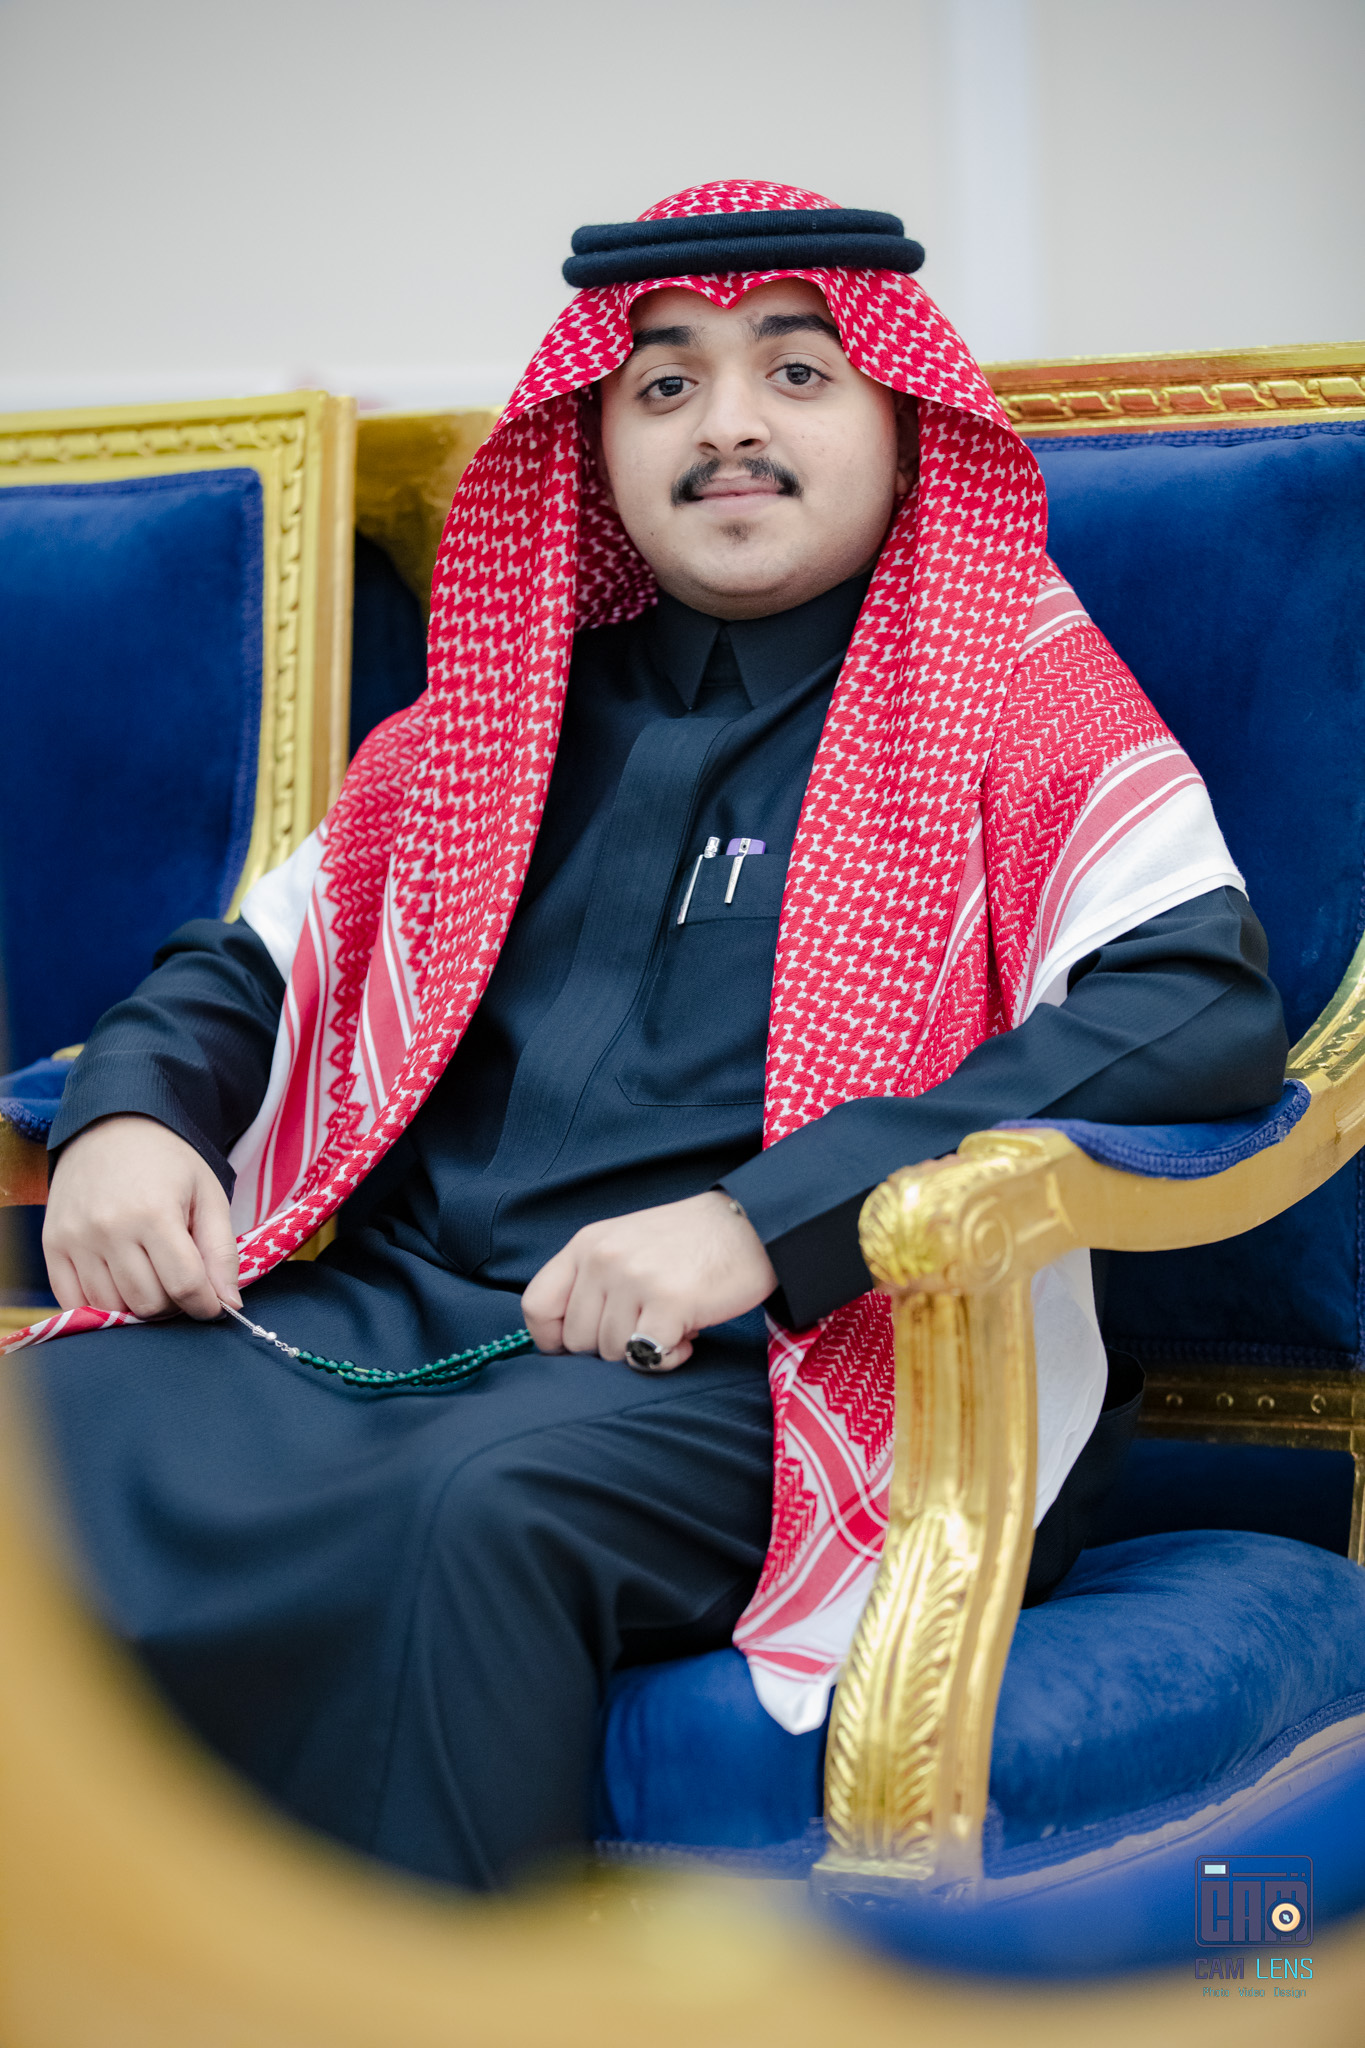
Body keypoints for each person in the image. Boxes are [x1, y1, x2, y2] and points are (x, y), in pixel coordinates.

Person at [11, 182, 1286, 1890]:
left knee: (478, 1515)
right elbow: (250, 968)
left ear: (899, 422)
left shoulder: (1006, 690)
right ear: (596, 443)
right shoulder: (500, 707)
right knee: (43, 1425)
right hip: (394, 1312)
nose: (727, 425)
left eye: (796, 374)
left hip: (792, 1366)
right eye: (665, 383)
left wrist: (762, 1224)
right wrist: (131, 1118)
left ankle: (419, 2003)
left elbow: (1193, 1007)